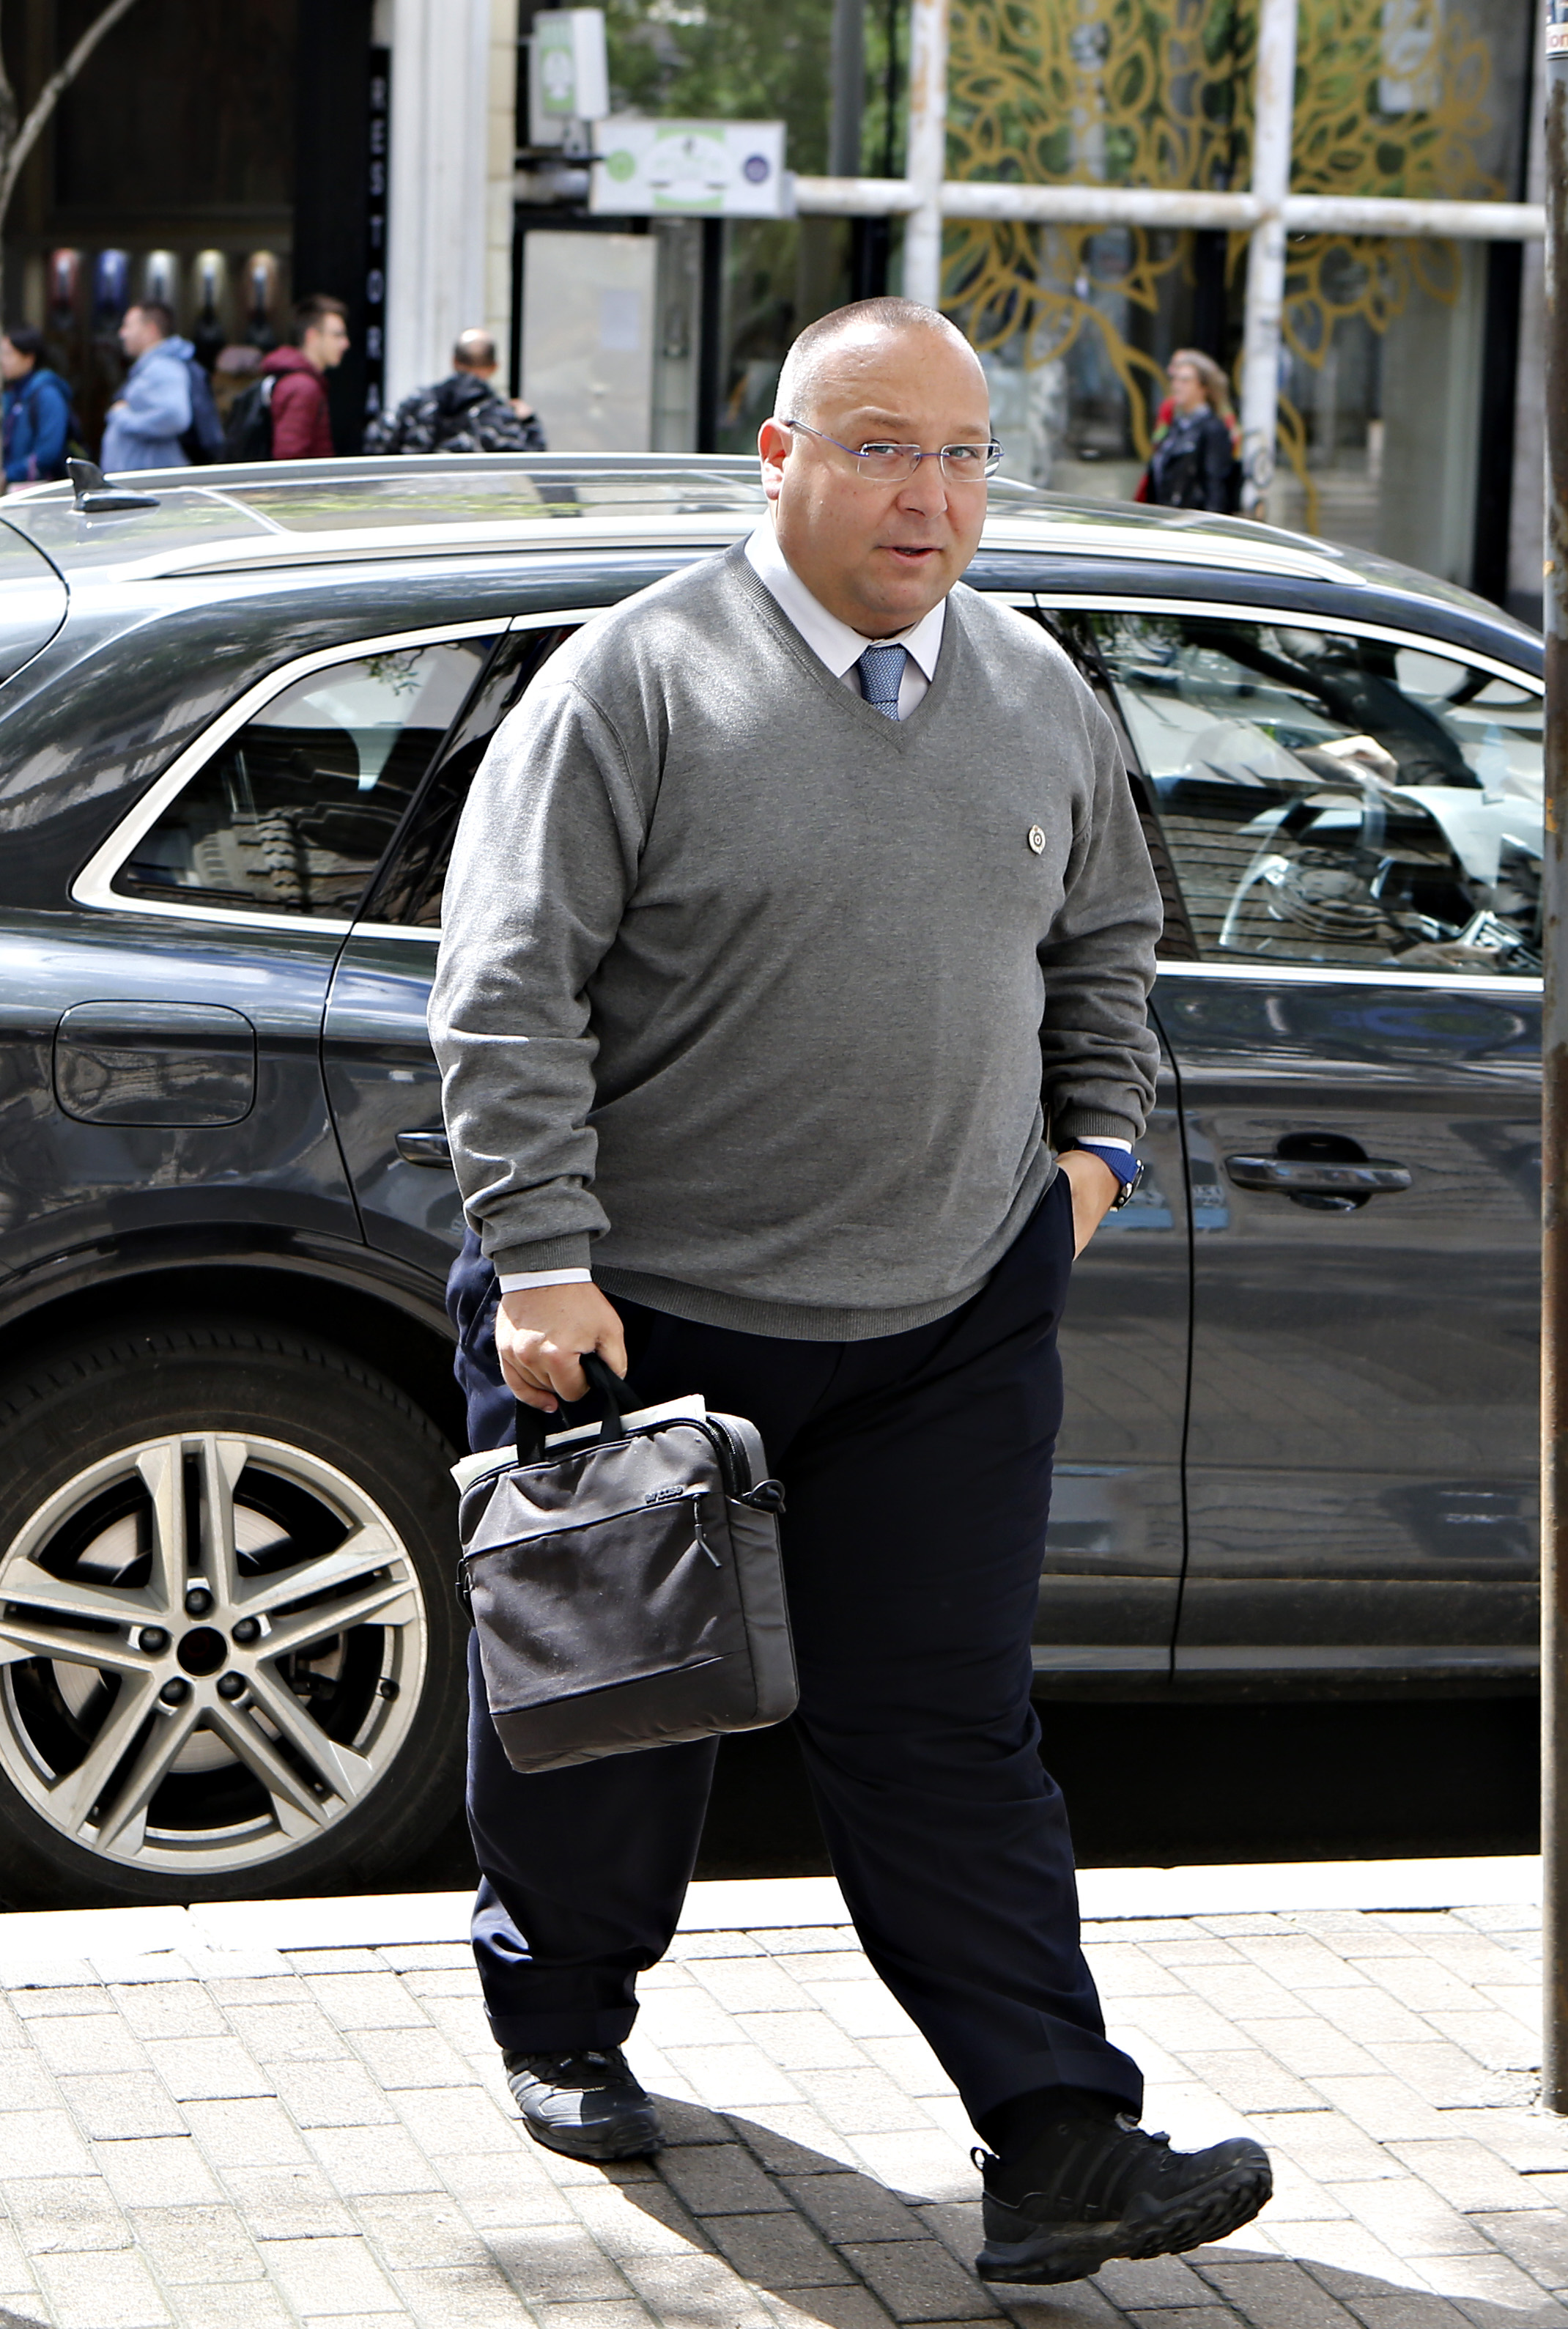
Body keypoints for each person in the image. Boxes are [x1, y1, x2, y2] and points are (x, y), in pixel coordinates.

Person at [429, 295, 1273, 2287]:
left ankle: (1057, 2138)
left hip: (944, 1311)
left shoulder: (1033, 688)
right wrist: (538, 1254)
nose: (932, 496)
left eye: (967, 456)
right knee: (608, 1718)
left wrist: (1086, 1162)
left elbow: (1109, 940)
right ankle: (559, 2012)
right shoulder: (631, 685)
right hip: (637, 1308)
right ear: (780, 457)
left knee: (947, 1733)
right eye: (885, 448)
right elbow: (504, 992)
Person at [372, 328, 546, 454]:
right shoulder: (502, 416)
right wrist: (530, 423)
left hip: (416, 499)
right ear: (494, 367)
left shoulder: (416, 403)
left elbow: (377, 443)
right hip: (475, 502)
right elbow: (532, 465)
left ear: (454, 362)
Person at [1134, 347, 1240, 513]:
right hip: (1164, 519)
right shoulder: (1176, 425)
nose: (1177, 386)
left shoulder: (1213, 429)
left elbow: (1215, 487)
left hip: (1190, 525)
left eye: (1185, 381)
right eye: (1175, 380)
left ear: (1203, 388)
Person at [102, 300, 203, 471]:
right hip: (143, 484)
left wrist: (122, 417)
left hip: (149, 486)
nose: (122, 334)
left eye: (128, 326)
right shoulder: (152, 368)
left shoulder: (164, 368)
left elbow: (175, 417)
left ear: (151, 330)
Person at [256, 294, 350, 459]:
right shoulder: (303, 387)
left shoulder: (298, 380)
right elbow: (289, 458)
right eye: (337, 335)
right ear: (312, 336)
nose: (345, 343)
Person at [0, 326, 74, 484]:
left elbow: (48, 453)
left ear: (29, 359)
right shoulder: (11, 394)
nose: (2, 360)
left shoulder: (48, 395)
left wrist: (10, 475)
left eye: (8, 354)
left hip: (38, 491)